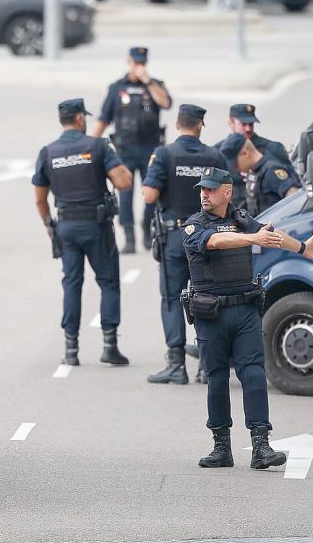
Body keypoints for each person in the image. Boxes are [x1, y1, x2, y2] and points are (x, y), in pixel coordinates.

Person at [182, 167, 313, 469]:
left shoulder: (241, 219)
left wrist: (302, 248)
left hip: (245, 310)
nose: (203, 194)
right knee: (218, 380)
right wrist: (252, 238)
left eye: (210, 189)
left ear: (227, 192)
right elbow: (216, 243)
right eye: (202, 189)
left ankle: (261, 445)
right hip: (212, 314)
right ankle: (221, 446)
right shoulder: (195, 225)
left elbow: (270, 235)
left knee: (253, 375)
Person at [32, 98, 134, 367]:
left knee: (71, 284)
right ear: (79, 119)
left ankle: (71, 349)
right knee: (108, 282)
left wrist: (48, 225)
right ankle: (109, 346)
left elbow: (40, 199)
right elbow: (124, 182)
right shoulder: (98, 146)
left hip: (65, 227)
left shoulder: (48, 152)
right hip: (96, 226)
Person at [143, 104, 226, 385]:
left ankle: (176, 364)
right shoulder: (215, 155)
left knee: (172, 298)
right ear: (200, 125)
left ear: (177, 125)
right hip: (208, 236)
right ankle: (206, 363)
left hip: (176, 237)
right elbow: (227, 196)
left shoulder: (164, 154)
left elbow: (149, 195)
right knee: (207, 297)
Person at [92, 46, 172, 254]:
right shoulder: (117, 88)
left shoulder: (155, 86)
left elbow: (165, 103)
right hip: (125, 148)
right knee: (125, 193)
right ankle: (128, 236)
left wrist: (148, 81)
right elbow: (103, 117)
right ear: (128, 62)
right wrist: (90, 145)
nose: (139, 67)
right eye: (135, 63)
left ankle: (147, 228)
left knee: (151, 192)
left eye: (142, 63)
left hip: (150, 148)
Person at [215, 104, 295, 208]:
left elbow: (292, 183)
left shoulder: (272, 148)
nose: (248, 128)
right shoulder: (219, 152)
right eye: (243, 124)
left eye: (251, 123)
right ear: (231, 123)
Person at [219, 133, 300, 217]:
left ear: (245, 153)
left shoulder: (271, 170)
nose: (235, 168)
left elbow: (295, 198)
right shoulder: (255, 172)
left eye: (235, 164)